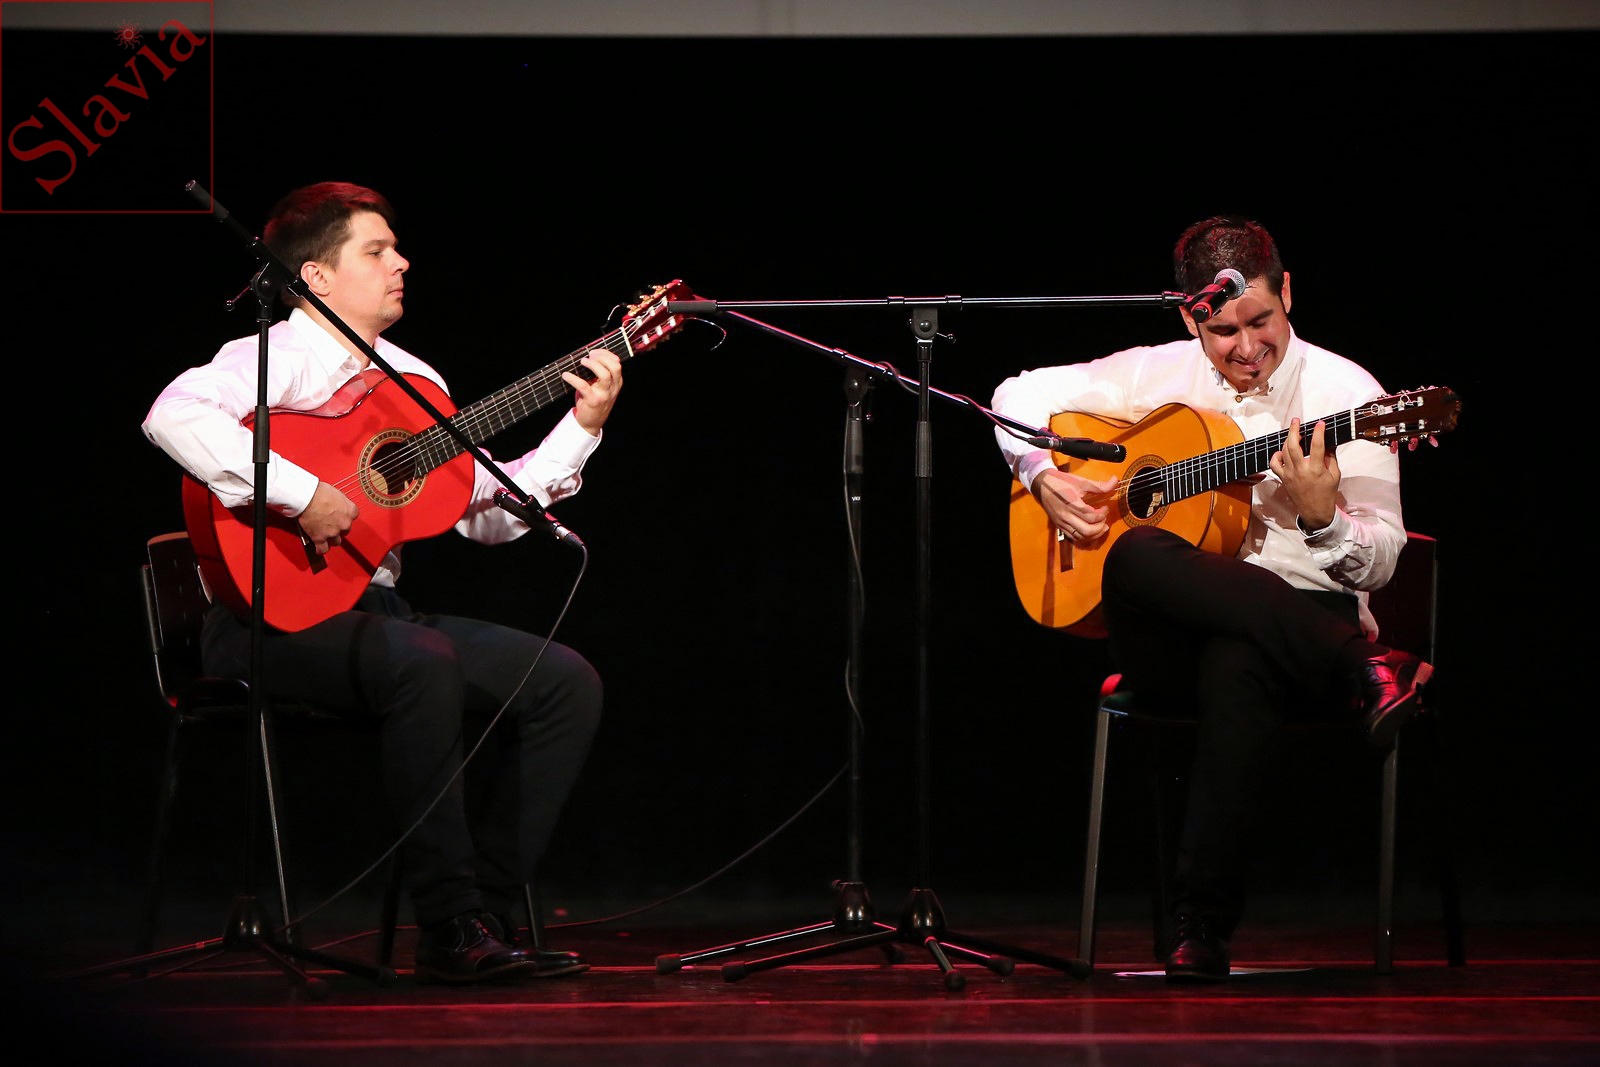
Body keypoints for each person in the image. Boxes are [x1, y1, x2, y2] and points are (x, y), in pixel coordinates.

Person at [143, 181, 618, 984]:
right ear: (318, 276)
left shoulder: (413, 381)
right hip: (262, 618)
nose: (401, 262)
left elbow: (487, 513)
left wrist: (582, 426)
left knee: (564, 681)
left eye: (396, 248)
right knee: (422, 660)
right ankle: (449, 922)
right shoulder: (273, 357)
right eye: (376, 250)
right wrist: (302, 492)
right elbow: (171, 416)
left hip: (379, 614)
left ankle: (487, 914)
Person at [990, 215, 1431, 982]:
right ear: (1191, 318)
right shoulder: (1154, 373)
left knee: (1239, 654)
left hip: (1294, 627)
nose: (1246, 346)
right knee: (1134, 550)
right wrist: (1041, 474)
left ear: (1287, 292)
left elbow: (1383, 560)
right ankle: (1365, 663)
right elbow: (1014, 393)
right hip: (1173, 637)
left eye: (1261, 321)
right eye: (1223, 330)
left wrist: (1324, 519)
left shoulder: (1349, 395)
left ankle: (1198, 926)